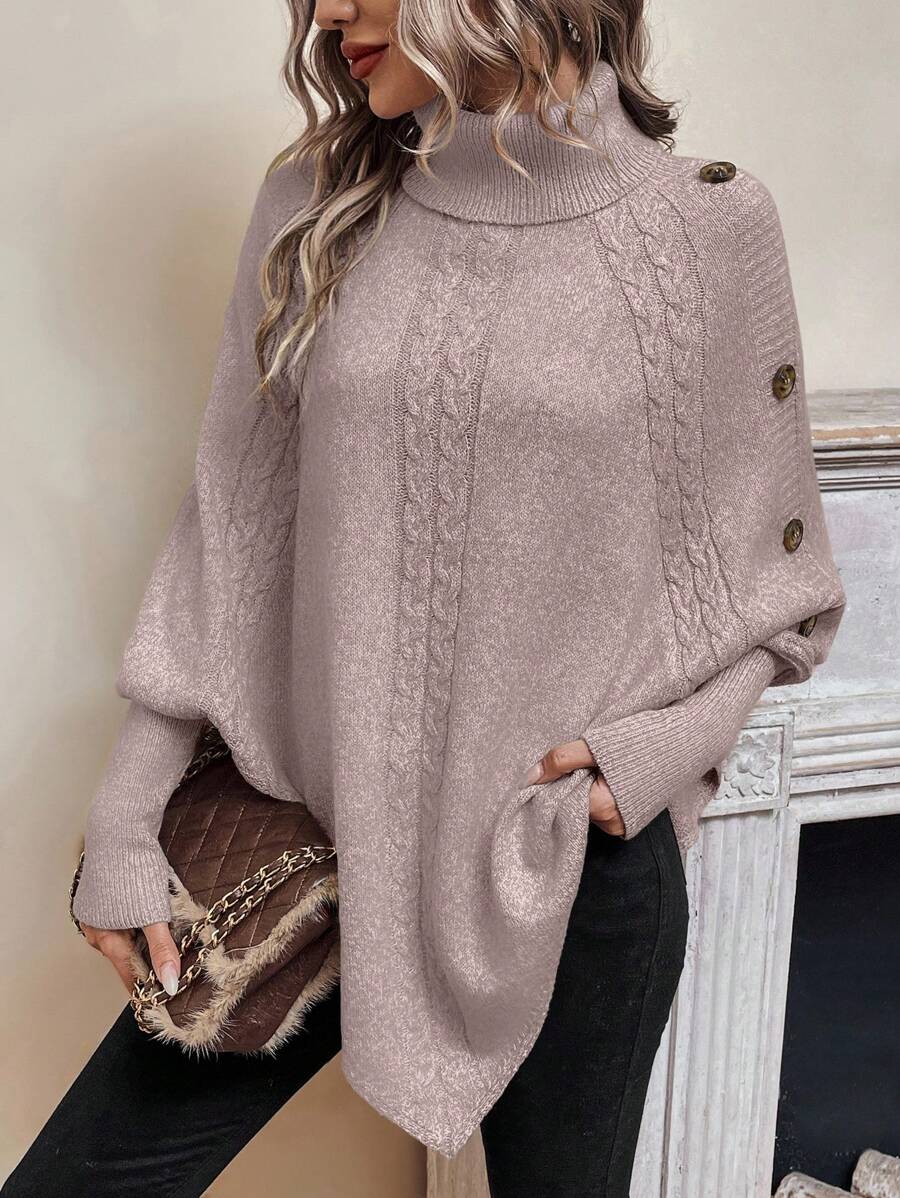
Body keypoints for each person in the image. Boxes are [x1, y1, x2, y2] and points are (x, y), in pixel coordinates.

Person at [2, 1, 846, 1196]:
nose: (328, 14)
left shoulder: (710, 225)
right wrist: (128, 817)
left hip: (571, 866)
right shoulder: (317, 204)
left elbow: (780, 587)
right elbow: (233, 530)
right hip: (318, 855)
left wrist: (653, 756)